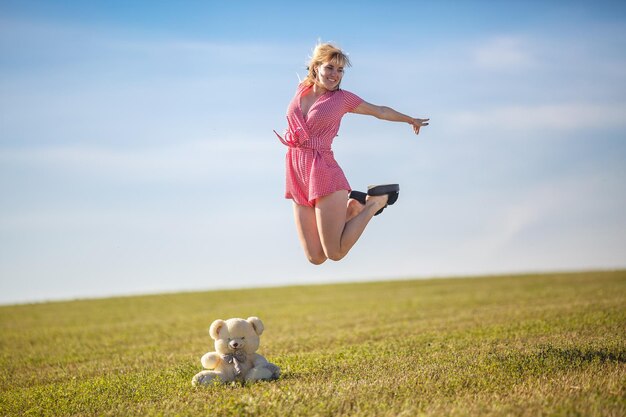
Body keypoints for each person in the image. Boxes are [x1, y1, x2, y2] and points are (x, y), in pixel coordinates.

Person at [274, 43, 429, 265]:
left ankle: (375, 202)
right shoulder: (301, 89)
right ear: (316, 66)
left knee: (334, 253)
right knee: (315, 257)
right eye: (330, 68)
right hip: (296, 171)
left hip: (323, 170)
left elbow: (380, 111)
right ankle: (351, 209)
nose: (335, 75)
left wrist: (410, 119)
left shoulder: (342, 99)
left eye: (340, 70)